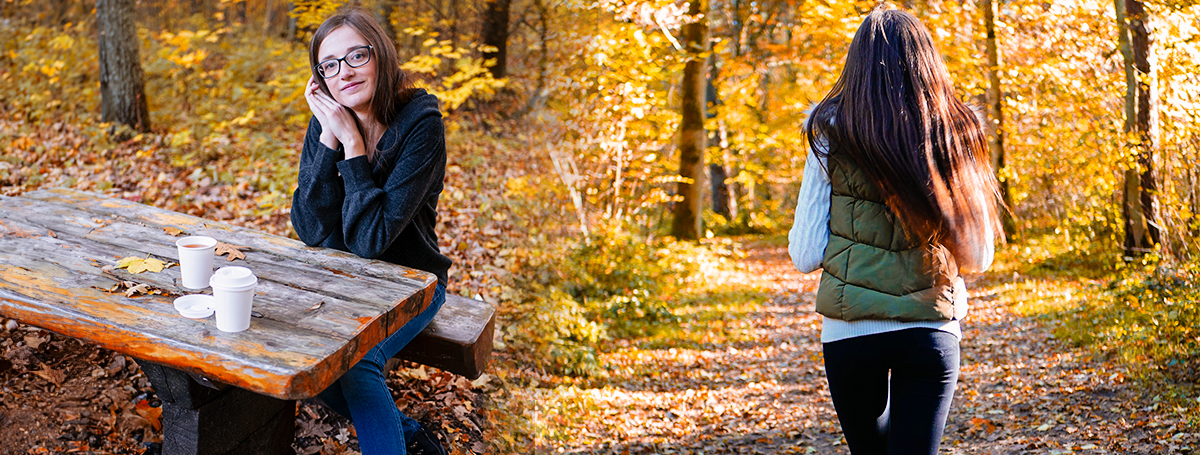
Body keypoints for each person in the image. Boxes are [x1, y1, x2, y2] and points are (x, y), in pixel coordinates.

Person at [788, 6, 1003, 455]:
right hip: (931, 329)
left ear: (857, 64)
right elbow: (980, 255)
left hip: (850, 334)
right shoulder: (956, 132)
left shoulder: (827, 132)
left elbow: (806, 253)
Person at [291, 8, 452, 455]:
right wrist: (329, 139)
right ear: (320, 78)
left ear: (379, 56)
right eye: (330, 65)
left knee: (357, 365)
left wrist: (355, 148)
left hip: (412, 282)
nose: (345, 72)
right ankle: (411, 437)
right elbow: (308, 226)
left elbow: (371, 241)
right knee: (308, 358)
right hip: (345, 280)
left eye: (356, 56)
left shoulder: (421, 126)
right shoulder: (328, 119)